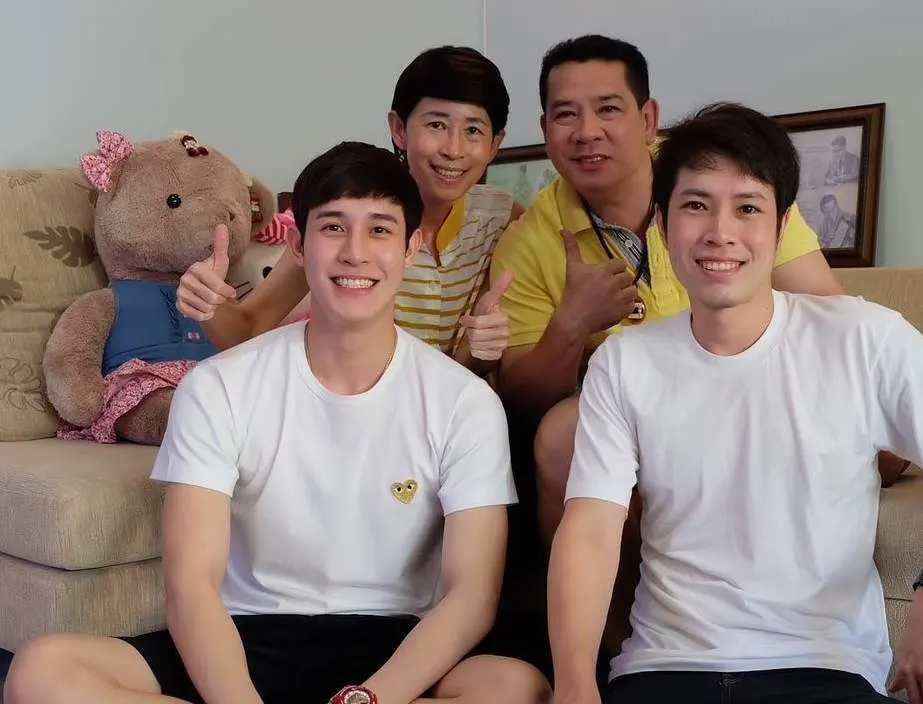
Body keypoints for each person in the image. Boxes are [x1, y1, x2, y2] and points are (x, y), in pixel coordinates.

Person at [4, 142, 551, 704]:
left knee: (514, 687)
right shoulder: (218, 386)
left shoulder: (463, 401)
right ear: (298, 244)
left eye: (380, 230)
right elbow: (191, 584)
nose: (355, 253)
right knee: (43, 671)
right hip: (246, 640)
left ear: (409, 247)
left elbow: (472, 597)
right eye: (333, 227)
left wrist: (370, 699)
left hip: (395, 645)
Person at [545, 102, 923, 704]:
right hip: (665, 670)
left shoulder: (864, 338)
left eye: (747, 207)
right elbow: (591, 528)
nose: (720, 232)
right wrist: (574, 684)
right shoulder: (625, 362)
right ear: (662, 225)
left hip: (825, 668)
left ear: (782, 225)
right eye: (696, 205)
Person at [176, 45, 523, 377]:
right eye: (436, 125)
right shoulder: (340, 222)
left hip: (442, 404)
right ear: (399, 129)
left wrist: (481, 349)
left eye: (473, 130)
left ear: (495, 144)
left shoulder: (501, 217)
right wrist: (210, 305)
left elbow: (467, 367)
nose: (453, 150)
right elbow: (248, 330)